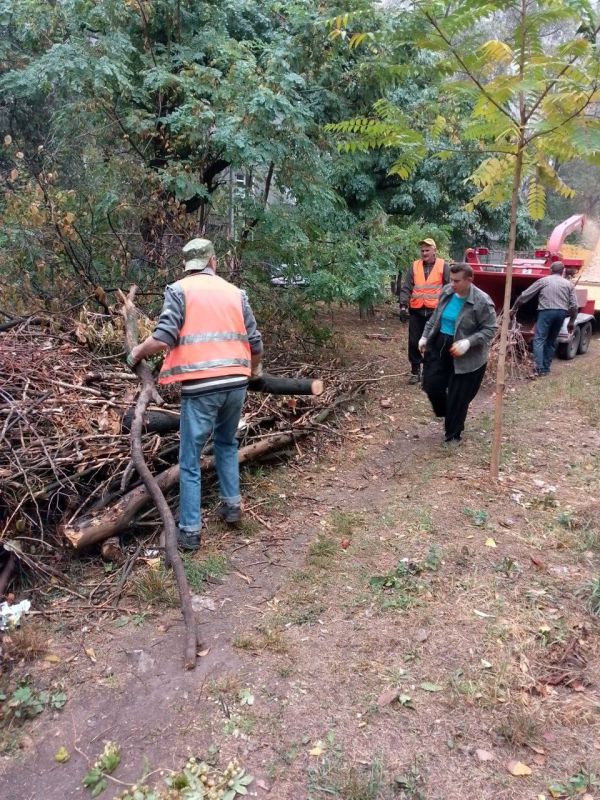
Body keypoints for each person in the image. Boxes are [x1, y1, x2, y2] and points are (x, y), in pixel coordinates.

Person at [128, 238, 263, 550]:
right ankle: (231, 507)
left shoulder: (179, 290)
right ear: (213, 262)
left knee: (190, 460)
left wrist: (136, 351)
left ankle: (189, 531)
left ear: (187, 266)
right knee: (227, 443)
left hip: (202, 387)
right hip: (236, 384)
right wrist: (253, 372)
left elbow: (163, 337)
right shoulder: (235, 293)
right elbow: (254, 342)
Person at [419, 264, 496, 444]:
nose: (452, 284)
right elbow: (435, 317)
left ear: (469, 280)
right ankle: (449, 411)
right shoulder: (447, 291)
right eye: (450, 280)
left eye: (457, 281)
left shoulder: (481, 301)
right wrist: (424, 336)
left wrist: (468, 342)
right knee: (431, 384)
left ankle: (453, 435)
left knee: (458, 395)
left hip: (467, 355)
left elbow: (490, 329)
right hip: (441, 345)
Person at [511, 261, 578, 377]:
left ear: (550, 270)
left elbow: (524, 296)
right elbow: (574, 306)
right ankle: (546, 369)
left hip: (546, 312)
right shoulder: (569, 284)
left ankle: (538, 369)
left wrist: (513, 308)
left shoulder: (544, 281)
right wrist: (571, 322)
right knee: (551, 340)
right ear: (563, 272)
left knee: (539, 339)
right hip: (561, 313)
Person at [397, 238, 450, 384]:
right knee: (414, 341)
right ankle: (415, 371)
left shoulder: (443, 266)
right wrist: (403, 306)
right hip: (417, 310)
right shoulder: (414, 266)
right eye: (422, 251)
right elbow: (406, 287)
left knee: (431, 343)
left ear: (434, 251)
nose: (424, 253)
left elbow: (449, 288)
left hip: (435, 312)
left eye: (427, 250)